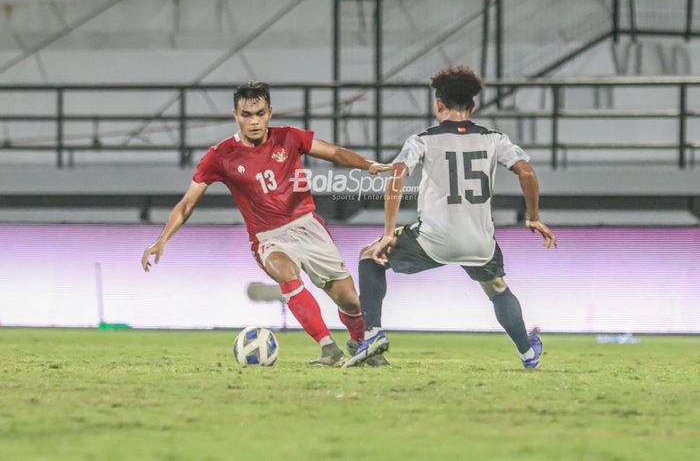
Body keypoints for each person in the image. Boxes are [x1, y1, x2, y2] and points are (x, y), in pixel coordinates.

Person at [141, 81, 391, 366]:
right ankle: (327, 347)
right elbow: (187, 203)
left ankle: (361, 346)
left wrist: (366, 164)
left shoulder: (289, 138)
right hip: (268, 236)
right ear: (236, 116)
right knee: (286, 272)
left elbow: (333, 152)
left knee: (349, 301)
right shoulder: (220, 156)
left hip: (308, 226)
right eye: (246, 115)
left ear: (269, 113)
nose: (254, 121)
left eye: (259, 113)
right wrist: (162, 239)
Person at [344, 66, 557, 368]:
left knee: (370, 256)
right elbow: (527, 171)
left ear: (438, 104)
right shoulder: (494, 138)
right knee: (496, 287)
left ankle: (374, 333)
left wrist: (389, 231)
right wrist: (533, 216)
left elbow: (398, 175)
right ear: (472, 106)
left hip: (433, 240)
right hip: (479, 242)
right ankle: (527, 352)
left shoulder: (423, 139)